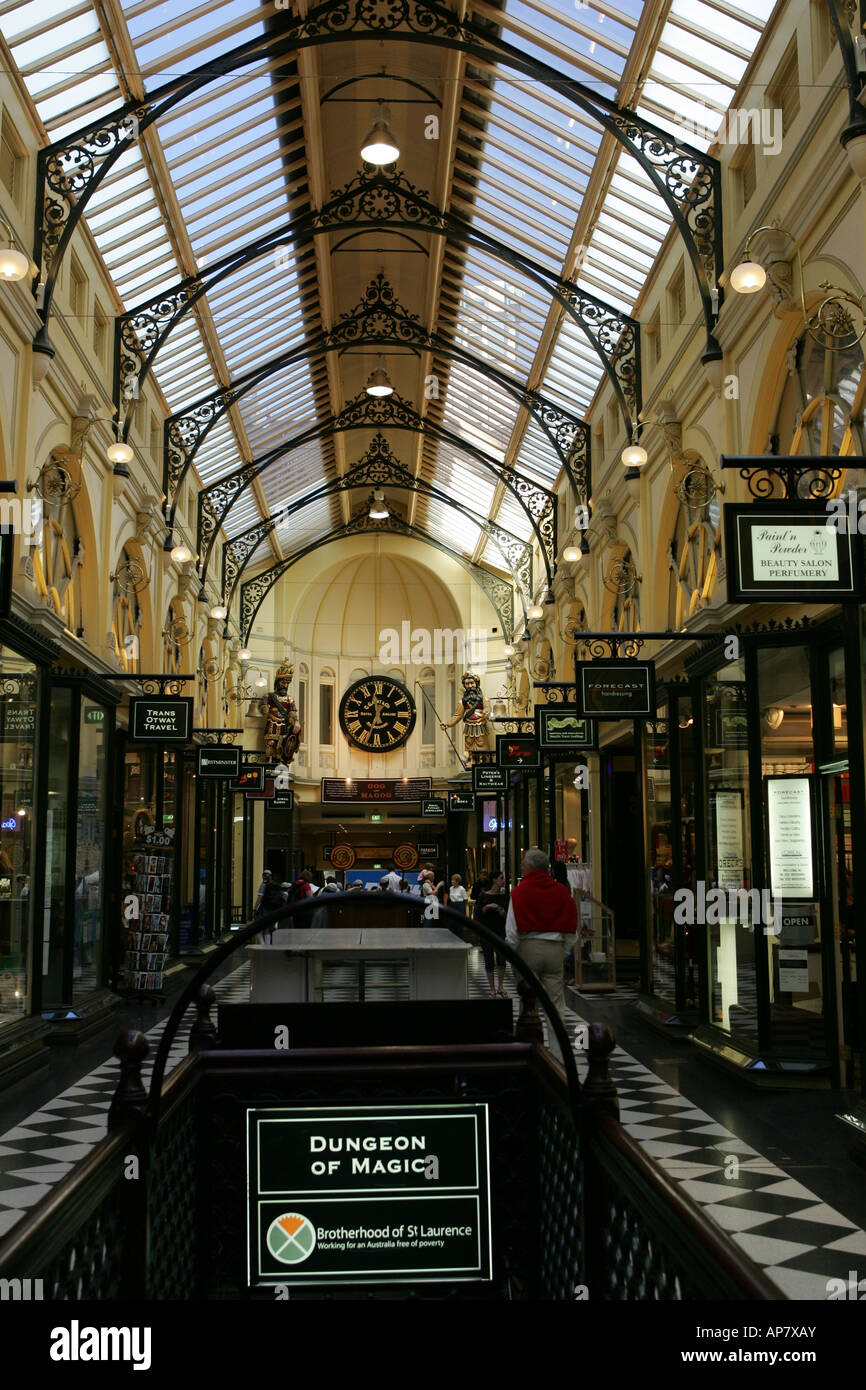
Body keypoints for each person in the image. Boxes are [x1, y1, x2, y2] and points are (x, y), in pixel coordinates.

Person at [506, 849, 577, 1061]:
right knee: (556, 1006)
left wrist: (513, 955)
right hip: (555, 948)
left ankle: (529, 1051)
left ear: (528, 866)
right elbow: (572, 929)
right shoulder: (561, 891)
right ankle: (558, 1056)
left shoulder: (519, 892)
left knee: (528, 1003)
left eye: (522, 864)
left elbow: (511, 931)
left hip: (528, 948)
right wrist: (562, 952)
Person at [478, 870, 509, 998]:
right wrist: (487, 907)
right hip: (486, 932)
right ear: (494, 880)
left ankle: (500, 986)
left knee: (502, 959)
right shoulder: (483, 896)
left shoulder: (505, 896)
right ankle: (492, 989)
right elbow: (478, 914)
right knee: (489, 959)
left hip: (501, 931)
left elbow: (508, 916)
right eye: (501, 878)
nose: (504, 880)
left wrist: (502, 911)